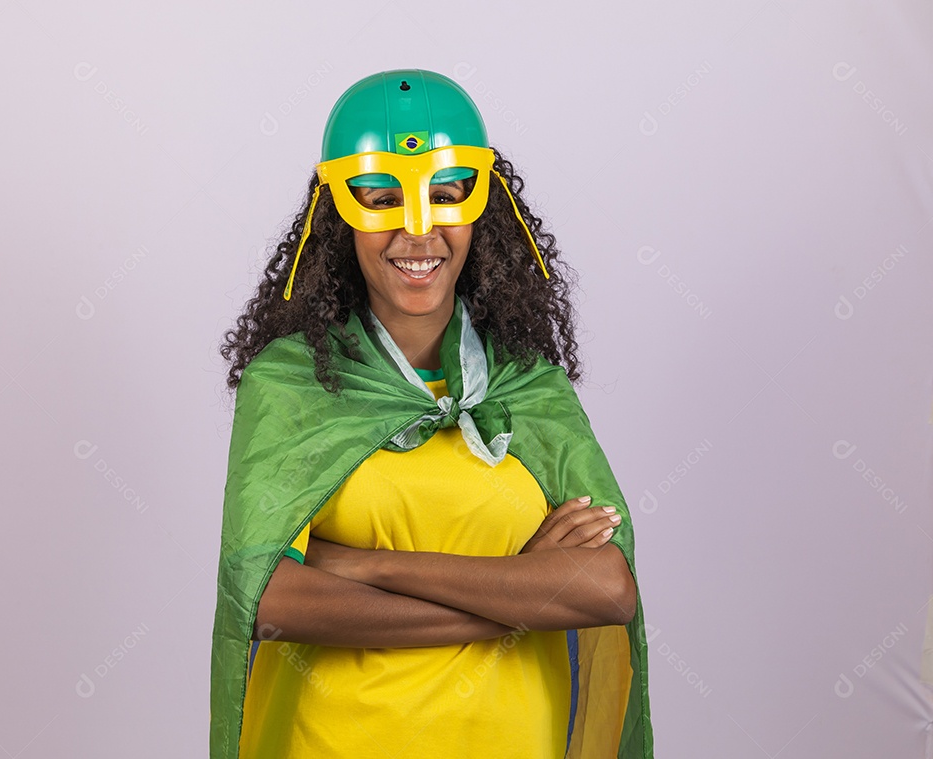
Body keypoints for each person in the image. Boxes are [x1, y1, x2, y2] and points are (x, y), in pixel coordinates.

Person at [210, 68, 654, 759]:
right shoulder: (291, 386)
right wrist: (517, 595)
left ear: (484, 209)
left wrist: (369, 567)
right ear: (339, 217)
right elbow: (266, 602)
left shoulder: (527, 385)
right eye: (383, 199)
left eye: (446, 196)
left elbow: (608, 587)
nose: (419, 231)